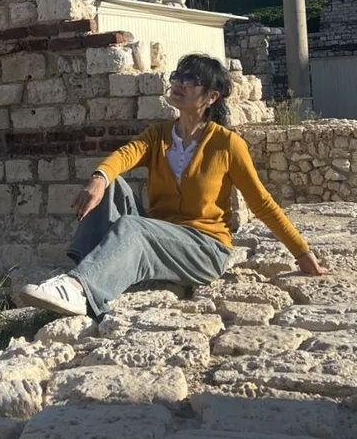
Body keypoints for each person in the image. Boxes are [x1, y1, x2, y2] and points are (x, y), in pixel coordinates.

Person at [20, 53, 328, 317]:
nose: (179, 83)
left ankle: (78, 288)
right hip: (163, 234)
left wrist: (301, 253)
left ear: (211, 97)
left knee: (133, 228)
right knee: (113, 185)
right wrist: (99, 178)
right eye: (177, 76)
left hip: (205, 248)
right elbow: (126, 154)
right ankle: (83, 274)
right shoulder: (159, 135)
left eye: (190, 80)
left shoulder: (227, 144)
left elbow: (262, 203)